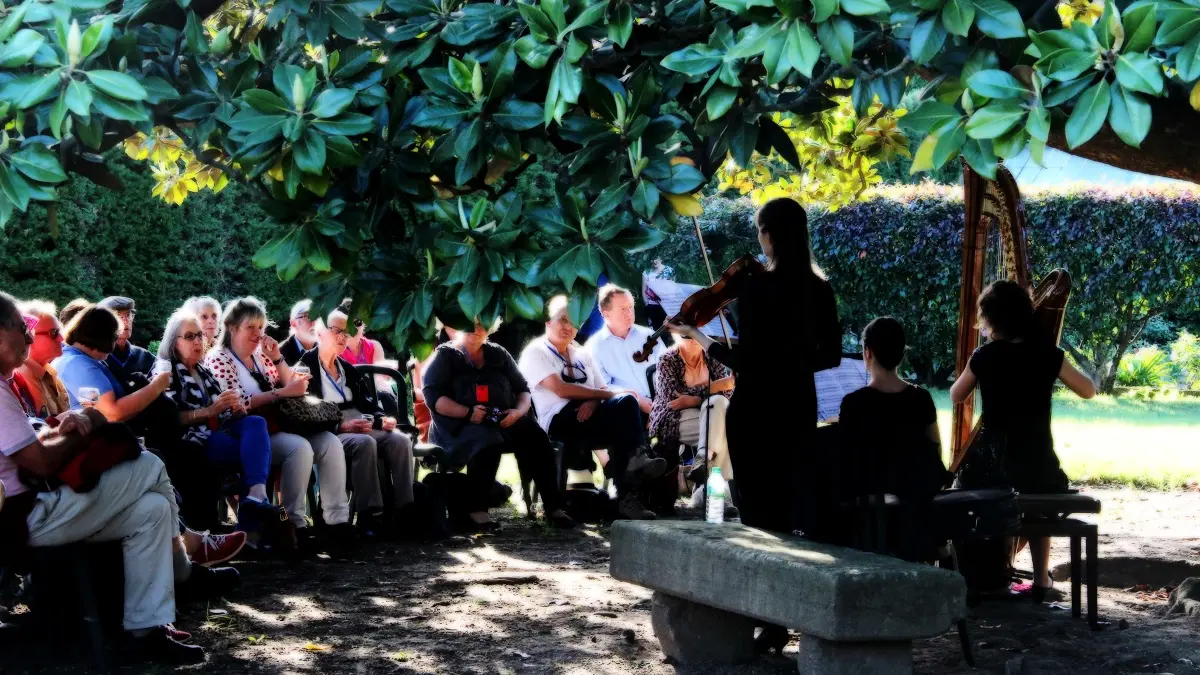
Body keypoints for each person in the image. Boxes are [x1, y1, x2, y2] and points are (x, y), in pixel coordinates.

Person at [667, 197, 842, 653]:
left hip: (758, 409)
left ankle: (769, 616)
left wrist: (699, 336)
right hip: (798, 406)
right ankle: (790, 611)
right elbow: (829, 354)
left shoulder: (758, 289)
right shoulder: (820, 289)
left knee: (758, 514)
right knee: (789, 509)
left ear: (767, 234)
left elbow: (744, 358)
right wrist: (794, 361)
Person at [0, 292, 208, 664]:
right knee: (149, 466)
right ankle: (185, 568)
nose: (30, 339)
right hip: (25, 518)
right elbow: (40, 463)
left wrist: (59, 426)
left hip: (39, 506)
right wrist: (91, 421)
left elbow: (30, 447)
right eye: (23, 328)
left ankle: (146, 630)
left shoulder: (10, 383)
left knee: (154, 508)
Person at [950, 280, 1096, 599]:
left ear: (988, 319)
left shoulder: (984, 356)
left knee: (963, 488)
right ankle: (1041, 580)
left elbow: (956, 394)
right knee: (1036, 495)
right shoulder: (1048, 354)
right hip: (1039, 467)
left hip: (992, 469)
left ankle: (983, 574)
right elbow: (1088, 390)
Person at [202, 297, 357, 554]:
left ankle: (335, 521)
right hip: (247, 434)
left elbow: (293, 388)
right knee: (299, 449)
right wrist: (280, 394)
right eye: (250, 327)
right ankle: (294, 523)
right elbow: (236, 404)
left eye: (261, 327)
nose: (258, 333)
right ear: (231, 328)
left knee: (330, 443)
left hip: (280, 425)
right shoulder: (219, 359)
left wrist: (277, 359)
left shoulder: (261, 357)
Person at [518, 296, 667, 521]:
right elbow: (561, 389)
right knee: (625, 403)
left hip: (590, 416)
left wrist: (594, 401)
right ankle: (637, 461)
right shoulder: (537, 352)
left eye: (573, 322)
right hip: (560, 421)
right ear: (549, 323)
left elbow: (602, 387)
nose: (568, 327)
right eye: (563, 321)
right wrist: (604, 396)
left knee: (626, 407)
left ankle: (628, 495)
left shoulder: (582, 354)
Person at [423, 318, 575, 531]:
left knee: (536, 436)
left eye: (481, 325)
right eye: (469, 324)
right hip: (457, 426)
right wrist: (467, 412)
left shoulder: (498, 353)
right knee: (486, 440)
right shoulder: (445, 356)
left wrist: (518, 412)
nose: (476, 330)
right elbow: (433, 397)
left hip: (500, 419)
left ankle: (553, 508)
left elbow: (523, 389)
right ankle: (477, 511)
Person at [159, 309, 276, 546]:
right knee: (253, 456)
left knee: (255, 422)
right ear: (174, 341)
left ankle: (261, 497)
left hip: (222, 431)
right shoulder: (166, 372)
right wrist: (211, 411)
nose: (198, 341)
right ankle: (252, 529)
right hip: (192, 439)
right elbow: (168, 418)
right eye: (190, 336)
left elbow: (221, 414)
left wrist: (232, 407)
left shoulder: (203, 370)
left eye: (200, 336)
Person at [298, 310, 415, 536]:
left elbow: (368, 404)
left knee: (400, 440)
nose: (343, 337)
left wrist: (383, 420)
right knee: (364, 443)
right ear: (319, 332)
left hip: (358, 423)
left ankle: (405, 510)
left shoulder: (346, 368)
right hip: (329, 430)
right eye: (337, 331)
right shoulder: (305, 368)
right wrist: (340, 426)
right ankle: (370, 514)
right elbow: (305, 413)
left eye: (348, 332)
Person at [647, 332, 733, 515]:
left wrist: (694, 399)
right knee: (723, 430)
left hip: (710, 414)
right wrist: (714, 387)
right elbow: (673, 397)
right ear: (674, 335)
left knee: (718, 406)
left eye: (696, 334)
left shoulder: (712, 358)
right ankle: (717, 495)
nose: (693, 338)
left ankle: (702, 458)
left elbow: (727, 395)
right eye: (686, 335)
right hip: (673, 418)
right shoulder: (667, 359)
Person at [53, 304, 172, 421]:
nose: (114, 344)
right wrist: (156, 386)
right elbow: (111, 413)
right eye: (114, 337)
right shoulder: (78, 366)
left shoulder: (77, 359)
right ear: (103, 337)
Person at [584, 284, 664, 415]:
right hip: (628, 411)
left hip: (664, 401)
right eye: (622, 309)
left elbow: (667, 368)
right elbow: (603, 387)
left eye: (630, 307)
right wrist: (637, 399)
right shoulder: (594, 347)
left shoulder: (648, 335)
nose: (629, 313)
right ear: (606, 314)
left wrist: (661, 401)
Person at [338, 302, 401, 417]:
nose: (353, 328)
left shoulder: (374, 346)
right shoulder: (337, 350)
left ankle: (395, 425)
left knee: (385, 394)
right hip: (351, 396)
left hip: (376, 393)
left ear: (364, 323)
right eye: (347, 324)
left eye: (357, 322)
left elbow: (380, 378)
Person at [15, 300, 70, 419]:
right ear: (28, 335)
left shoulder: (48, 371)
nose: (61, 338)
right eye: (54, 333)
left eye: (59, 332)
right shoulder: (20, 376)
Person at [98, 296, 157, 386]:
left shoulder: (144, 356)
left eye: (128, 315)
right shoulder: (97, 358)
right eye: (118, 316)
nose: (126, 321)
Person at [279, 299, 317, 366]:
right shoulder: (280, 354)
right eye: (309, 316)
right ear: (294, 323)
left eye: (317, 316)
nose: (315, 322)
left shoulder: (326, 350)